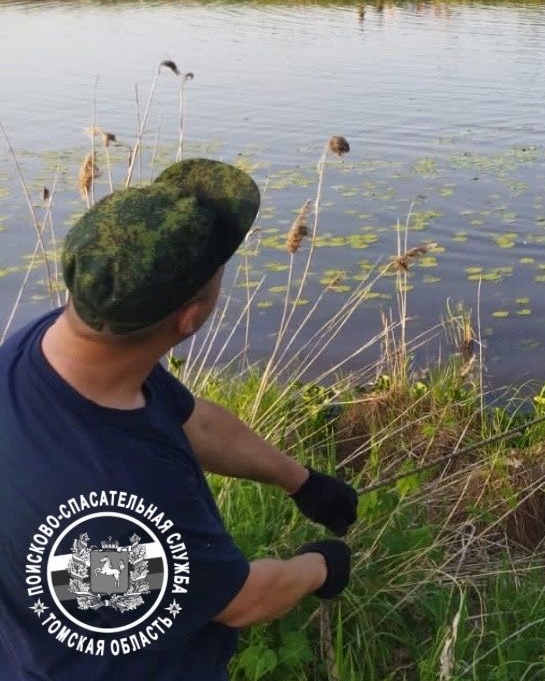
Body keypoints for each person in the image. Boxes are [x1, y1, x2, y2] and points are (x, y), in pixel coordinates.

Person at [0, 159, 357, 680]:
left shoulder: (56, 347)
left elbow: (193, 422)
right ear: (188, 318)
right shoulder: (114, 506)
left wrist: (300, 480)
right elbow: (242, 602)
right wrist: (320, 566)